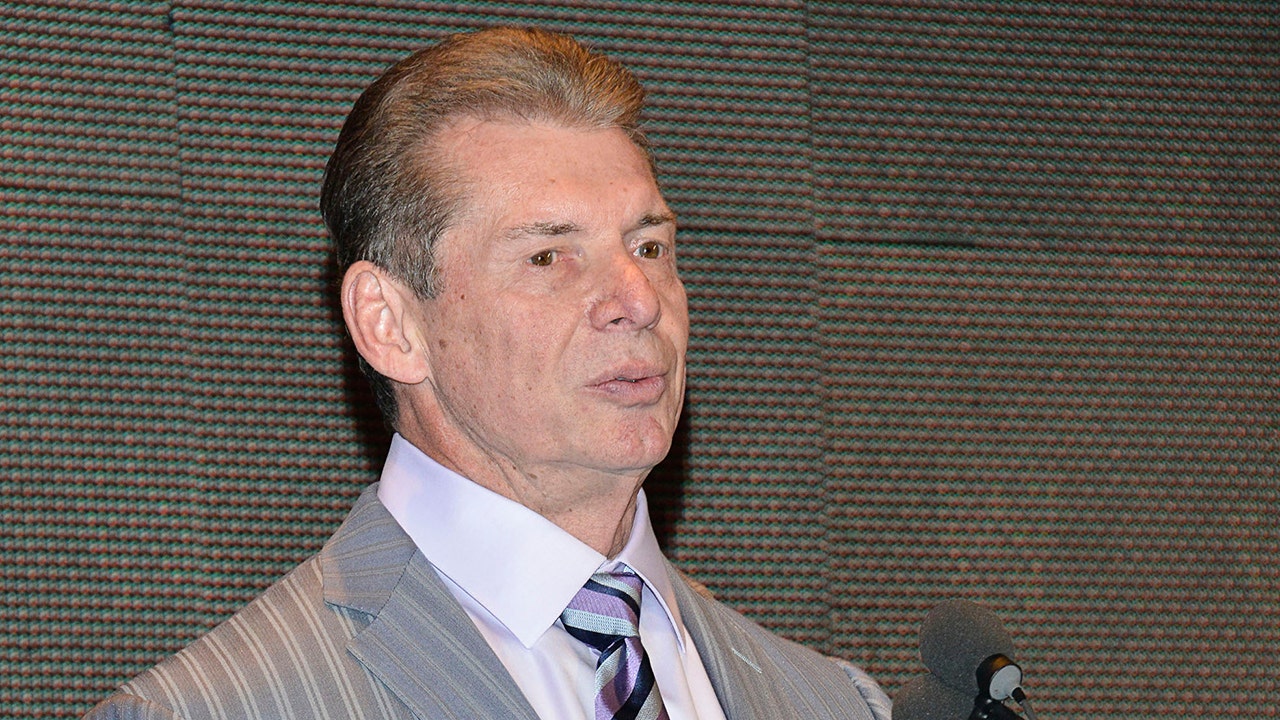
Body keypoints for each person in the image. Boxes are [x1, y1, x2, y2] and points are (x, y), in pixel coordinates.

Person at [85, 26, 891, 720]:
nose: (638, 300)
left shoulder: (835, 701)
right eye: (548, 256)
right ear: (390, 324)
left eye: (649, 247)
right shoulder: (214, 708)